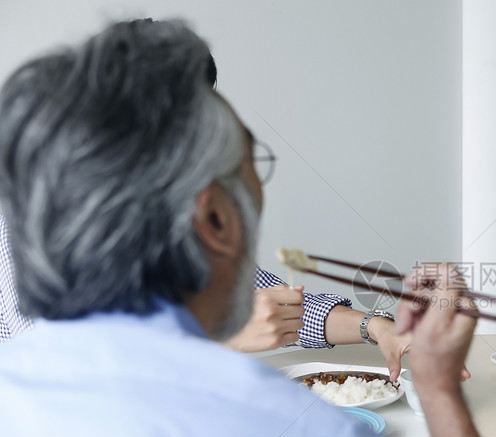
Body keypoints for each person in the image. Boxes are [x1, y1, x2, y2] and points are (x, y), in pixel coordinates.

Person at [0, 19, 496, 437]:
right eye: (252, 164)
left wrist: (377, 325)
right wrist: (438, 387)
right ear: (214, 216)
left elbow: (274, 299)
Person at [0, 30, 410, 379]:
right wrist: (219, 341)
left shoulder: (177, 207)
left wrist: (374, 325)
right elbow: (61, 373)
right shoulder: (31, 221)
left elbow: (258, 298)